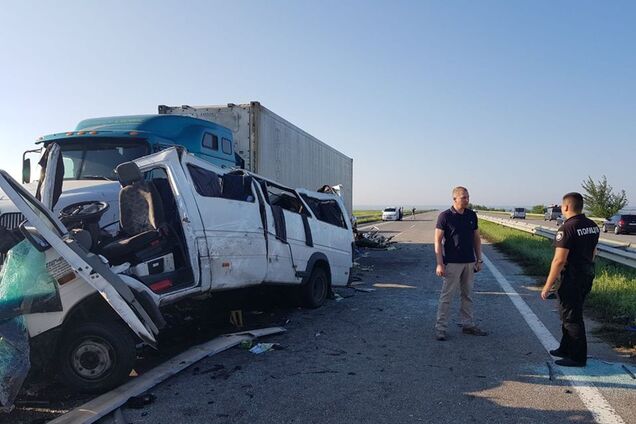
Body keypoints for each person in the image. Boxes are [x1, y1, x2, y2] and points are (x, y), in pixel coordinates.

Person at [540, 192, 599, 367]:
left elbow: (559, 260)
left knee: (572, 317)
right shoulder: (592, 225)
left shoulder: (567, 228)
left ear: (566, 207)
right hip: (586, 274)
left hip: (571, 277)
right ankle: (565, 348)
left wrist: (547, 286)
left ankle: (578, 357)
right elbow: (594, 251)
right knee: (568, 313)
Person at [434, 186, 487, 340]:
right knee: (447, 296)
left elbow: (476, 238)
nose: (466, 199)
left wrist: (479, 259)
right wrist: (439, 263)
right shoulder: (445, 216)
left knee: (468, 295)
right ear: (455, 199)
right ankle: (440, 328)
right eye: (463, 197)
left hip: (469, 262)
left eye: (468, 197)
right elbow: (437, 242)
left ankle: (468, 325)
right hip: (452, 262)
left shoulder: (471, 215)